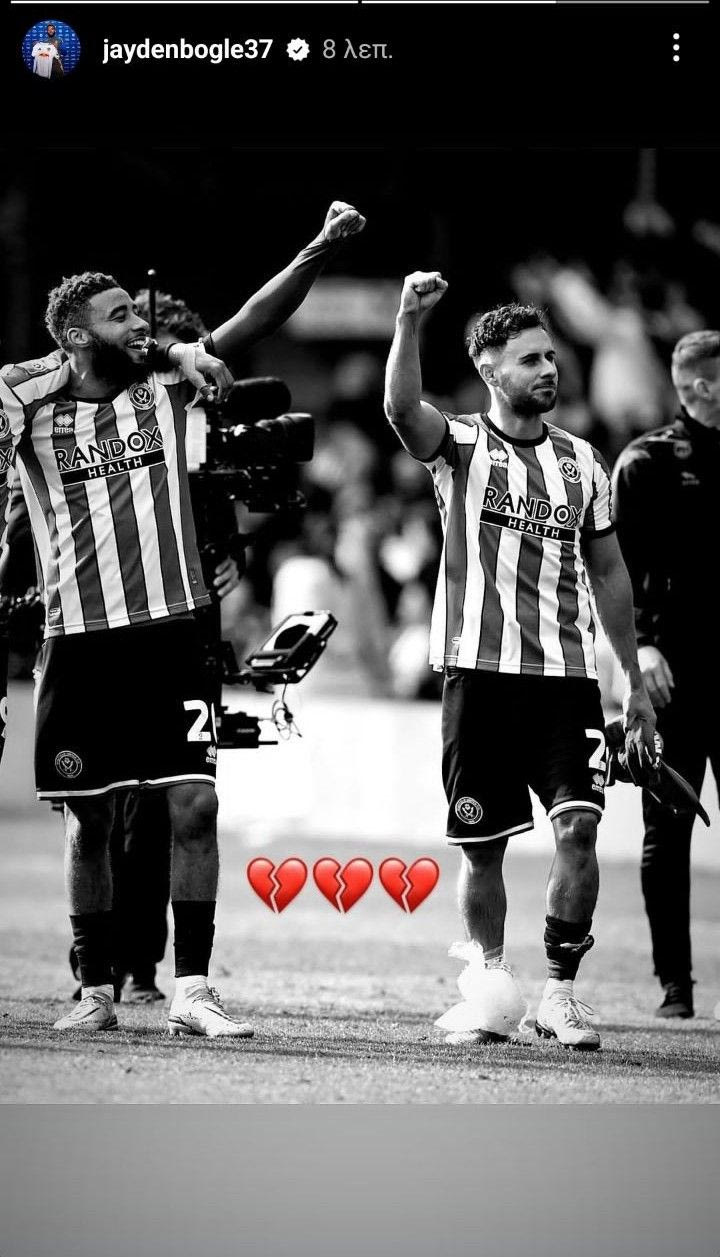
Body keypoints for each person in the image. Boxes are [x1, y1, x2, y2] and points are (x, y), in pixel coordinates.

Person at [0, 199, 366, 1035]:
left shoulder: (166, 391)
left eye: (141, 315)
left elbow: (255, 317)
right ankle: (96, 989)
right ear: (75, 336)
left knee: (195, 805)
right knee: (90, 818)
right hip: (78, 639)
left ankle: (192, 987)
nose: (140, 324)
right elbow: (21, 377)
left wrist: (316, 246)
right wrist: (166, 345)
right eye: (119, 315)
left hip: (172, 633)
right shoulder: (29, 401)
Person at [384, 274, 656, 1051]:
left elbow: (610, 573)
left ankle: (560, 994)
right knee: (483, 848)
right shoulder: (459, 443)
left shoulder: (583, 462)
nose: (548, 369)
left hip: (566, 683)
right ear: (489, 369)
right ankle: (493, 986)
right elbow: (400, 410)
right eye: (530, 359)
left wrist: (633, 681)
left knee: (579, 827)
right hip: (477, 675)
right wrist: (408, 320)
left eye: (551, 356)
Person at [612, 329, 720, 1019]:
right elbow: (612, 569)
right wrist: (642, 649)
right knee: (668, 827)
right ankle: (674, 984)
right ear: (701, 386)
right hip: (673, 672)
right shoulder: (647, 463)